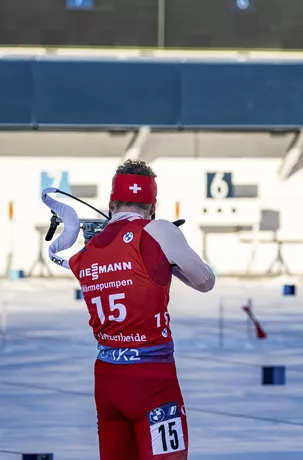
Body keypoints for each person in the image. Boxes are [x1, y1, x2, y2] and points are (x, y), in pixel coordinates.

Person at [68, 160, 215, 459]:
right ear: (154, 205)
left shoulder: (87, 250)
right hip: (152, 380)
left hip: (107, 380)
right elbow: (205, 281)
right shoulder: (158, 230)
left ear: (111, 203)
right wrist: (167, 260)